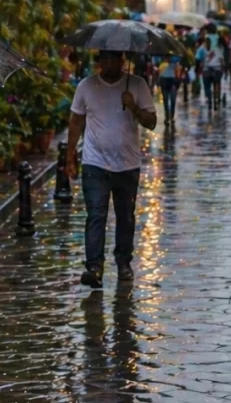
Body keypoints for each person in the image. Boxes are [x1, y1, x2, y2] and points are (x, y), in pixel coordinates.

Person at [66, 51, 157, 289]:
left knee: (125, 216)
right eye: (103, 59)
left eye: (113, 59)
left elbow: (152, 122)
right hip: (94, 162)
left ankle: (123, 262)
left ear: (122, 59)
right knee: (96, 214)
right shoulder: (86, 86)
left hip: (127, 164)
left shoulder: (136, 85)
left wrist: (134, 107)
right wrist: (69, 156)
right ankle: (94, 266)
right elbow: (76, 121)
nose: (108, 64)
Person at [196, 30, 226, 111]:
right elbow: (222, 59)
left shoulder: (202, 48)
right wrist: (224, 68)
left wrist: (198, 68)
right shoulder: (220, 48)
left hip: (206, 70)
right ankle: (217, 99)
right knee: (217, 83)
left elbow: (198, 58)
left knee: (207, 86)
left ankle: (209, 98)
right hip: (217, 69)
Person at [156, 54, 182, 125]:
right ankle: (169, 117)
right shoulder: (163, 66)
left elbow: (177, 76)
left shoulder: (175, 66)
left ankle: (169, 117)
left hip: (170, 85)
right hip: (167, 85)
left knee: (169, 101)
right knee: (167, 101)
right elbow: (160, 76)